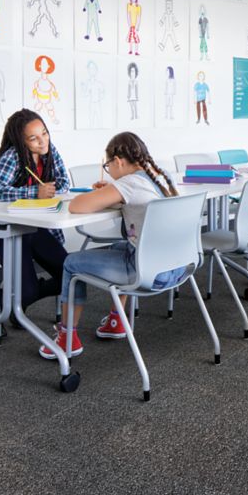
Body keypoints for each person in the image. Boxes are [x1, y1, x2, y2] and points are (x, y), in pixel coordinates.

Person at [39, 131, 184, 359]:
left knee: (71, 263)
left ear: (117, 161)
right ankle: (117, 321)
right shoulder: (161, 175)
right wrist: (110, 190)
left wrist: (110, 190)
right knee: (119, 248)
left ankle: (67, 338)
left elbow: (76, 206)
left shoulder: (130, 184)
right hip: (177, 265)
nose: (110, 171)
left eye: (108, 166)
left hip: (147, 272)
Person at [0, 108, 70, 337]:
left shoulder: (50, 152)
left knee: (71, 273)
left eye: (45, 134)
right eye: (33, 138)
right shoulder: (12, 156)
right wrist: (32, 192)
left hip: (36, 228)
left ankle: (12, 299)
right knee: (25, 292)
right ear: (21, 140)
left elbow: (65, 182)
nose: (42, 141)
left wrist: (54, 188)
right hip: (7, 232)